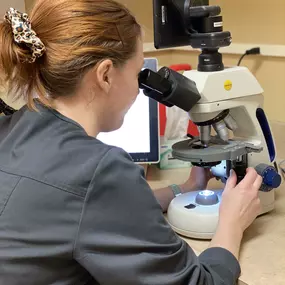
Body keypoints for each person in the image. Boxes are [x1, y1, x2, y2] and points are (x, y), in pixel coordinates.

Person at [0, 1, 262, 284]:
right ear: (105, 75)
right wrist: (231, 224)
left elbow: (85, 208)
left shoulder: (14, 127)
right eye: (138, 74)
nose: (140, 90)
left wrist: (183, 189)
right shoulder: (99, 169)